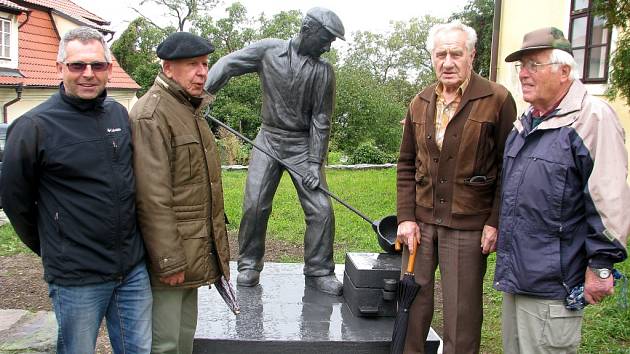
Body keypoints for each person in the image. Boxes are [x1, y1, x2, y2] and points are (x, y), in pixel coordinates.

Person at [0, 27, 151, 353]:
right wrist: (56, 246)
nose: (88, 74)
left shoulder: (117, 114)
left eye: (97, 66)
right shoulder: (33, 127)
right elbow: (15, 203)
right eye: (77, 65)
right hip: (77, 276)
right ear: (59, 68)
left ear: (109, 70)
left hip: (132, 270)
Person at [495, 27, 629, 353]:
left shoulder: (590, 119)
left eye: (533, 65)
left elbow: (608, 197)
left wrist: (601, 265)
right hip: (519, 277)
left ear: (564, 70)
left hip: (554, 286)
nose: (523, 74)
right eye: (521, 67)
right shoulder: (528, 121)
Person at [204, 7, 345, 295]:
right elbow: (229, 63)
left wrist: (314, 165)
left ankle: (319, 270)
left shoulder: (323, 72)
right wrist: (202, 94)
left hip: (302, 146)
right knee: (255, 204)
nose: (328, 47)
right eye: (326, 38)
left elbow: (321, 120)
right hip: (268, 139)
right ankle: (249, 265)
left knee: (321, 209)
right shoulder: (268, 51)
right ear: (308, 29)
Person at [396, 21, 517, 353]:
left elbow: (509, 167)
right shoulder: (420, 102)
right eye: (440, 54)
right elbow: (406, 164)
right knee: (411, 306)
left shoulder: (497, 99)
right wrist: (406, 218)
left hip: (468, 225)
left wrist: (494, 221)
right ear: (432, 58)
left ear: (471, 55)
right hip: (419, 224)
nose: (447, 62)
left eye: (455, 53)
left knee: (461, 315)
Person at [128, 32, 231, 354]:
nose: (202, 72)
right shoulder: (152, 115)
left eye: (204, 64)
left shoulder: (188, 109)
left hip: (192, 252)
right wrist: (169, 261)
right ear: (168, 68)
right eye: (192, 65)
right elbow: (151, 197)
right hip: (170, 260)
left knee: (184, 338)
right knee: (165, 344)